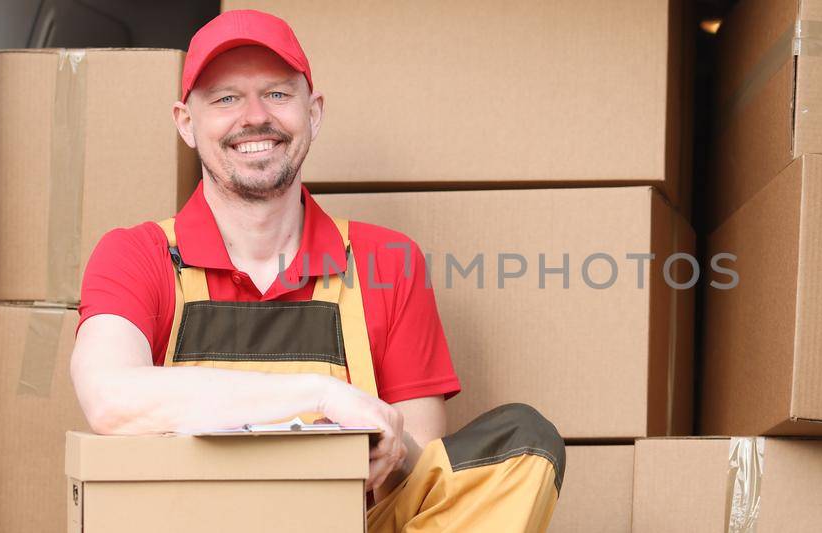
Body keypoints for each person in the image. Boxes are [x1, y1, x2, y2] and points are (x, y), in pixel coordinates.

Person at [68, 9, 564, 532]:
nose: (254, 116)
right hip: (193, 522)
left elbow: (425, 484)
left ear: (315, 113)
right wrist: (320, 398)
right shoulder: (137, 254)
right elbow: (109, 399)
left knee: (525, 442)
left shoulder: (386, 262)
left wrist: (390, 450)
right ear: (186, 124)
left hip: (350, 523)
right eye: (226, 98)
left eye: (278, 94)